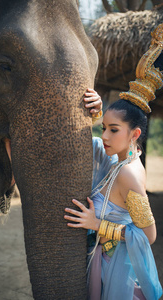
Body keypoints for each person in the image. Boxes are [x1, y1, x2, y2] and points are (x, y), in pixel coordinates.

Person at [64, 24, 163, 300]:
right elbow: (95, 145)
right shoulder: (121, 160)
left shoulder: (129, 174)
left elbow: (148, 235)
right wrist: (94, 113)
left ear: (135, 134)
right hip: (104, 259)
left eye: (113, 129)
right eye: (104, 126)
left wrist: (98, 225)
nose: (104, 135)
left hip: (115, 267)